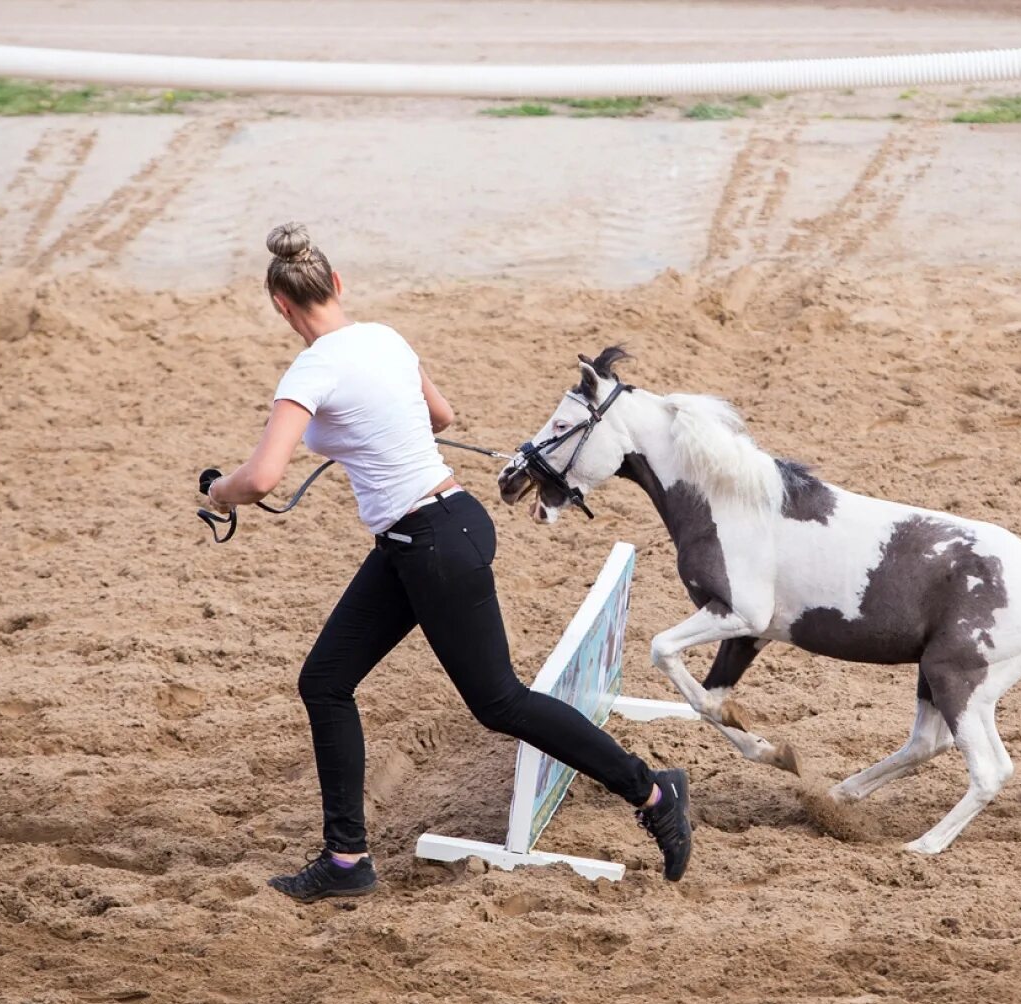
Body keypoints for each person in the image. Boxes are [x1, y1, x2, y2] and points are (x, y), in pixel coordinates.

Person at [205, 224, 693, 902]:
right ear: (338, 286)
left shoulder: (309, 370)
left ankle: (650, 789)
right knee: (325, 679)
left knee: (499, 701)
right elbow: (441, 414)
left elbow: (259, 479)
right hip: (435, 531)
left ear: (282, 307)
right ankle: (346, 858)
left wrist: (217, 492)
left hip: (429, 544)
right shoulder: (385, 337)